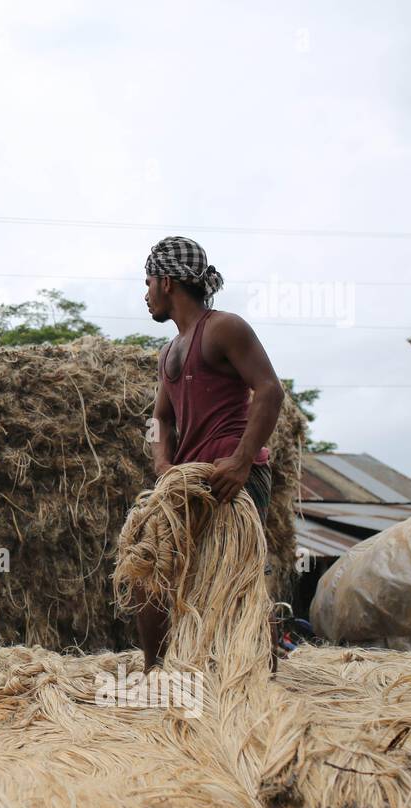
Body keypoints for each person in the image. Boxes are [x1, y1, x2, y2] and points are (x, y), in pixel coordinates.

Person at [138, 236, 284, 670]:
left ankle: (255, 673)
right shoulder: (168, 352)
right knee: (148, 568)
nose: (145, 295)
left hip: (228, 478)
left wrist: (241, 461)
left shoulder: (223, 328)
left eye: (147, 283)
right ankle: (156, 674)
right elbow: (159, 420)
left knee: (233, 577)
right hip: (187, 480)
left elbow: (269, 390)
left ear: (166, 281)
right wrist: (163, 464)